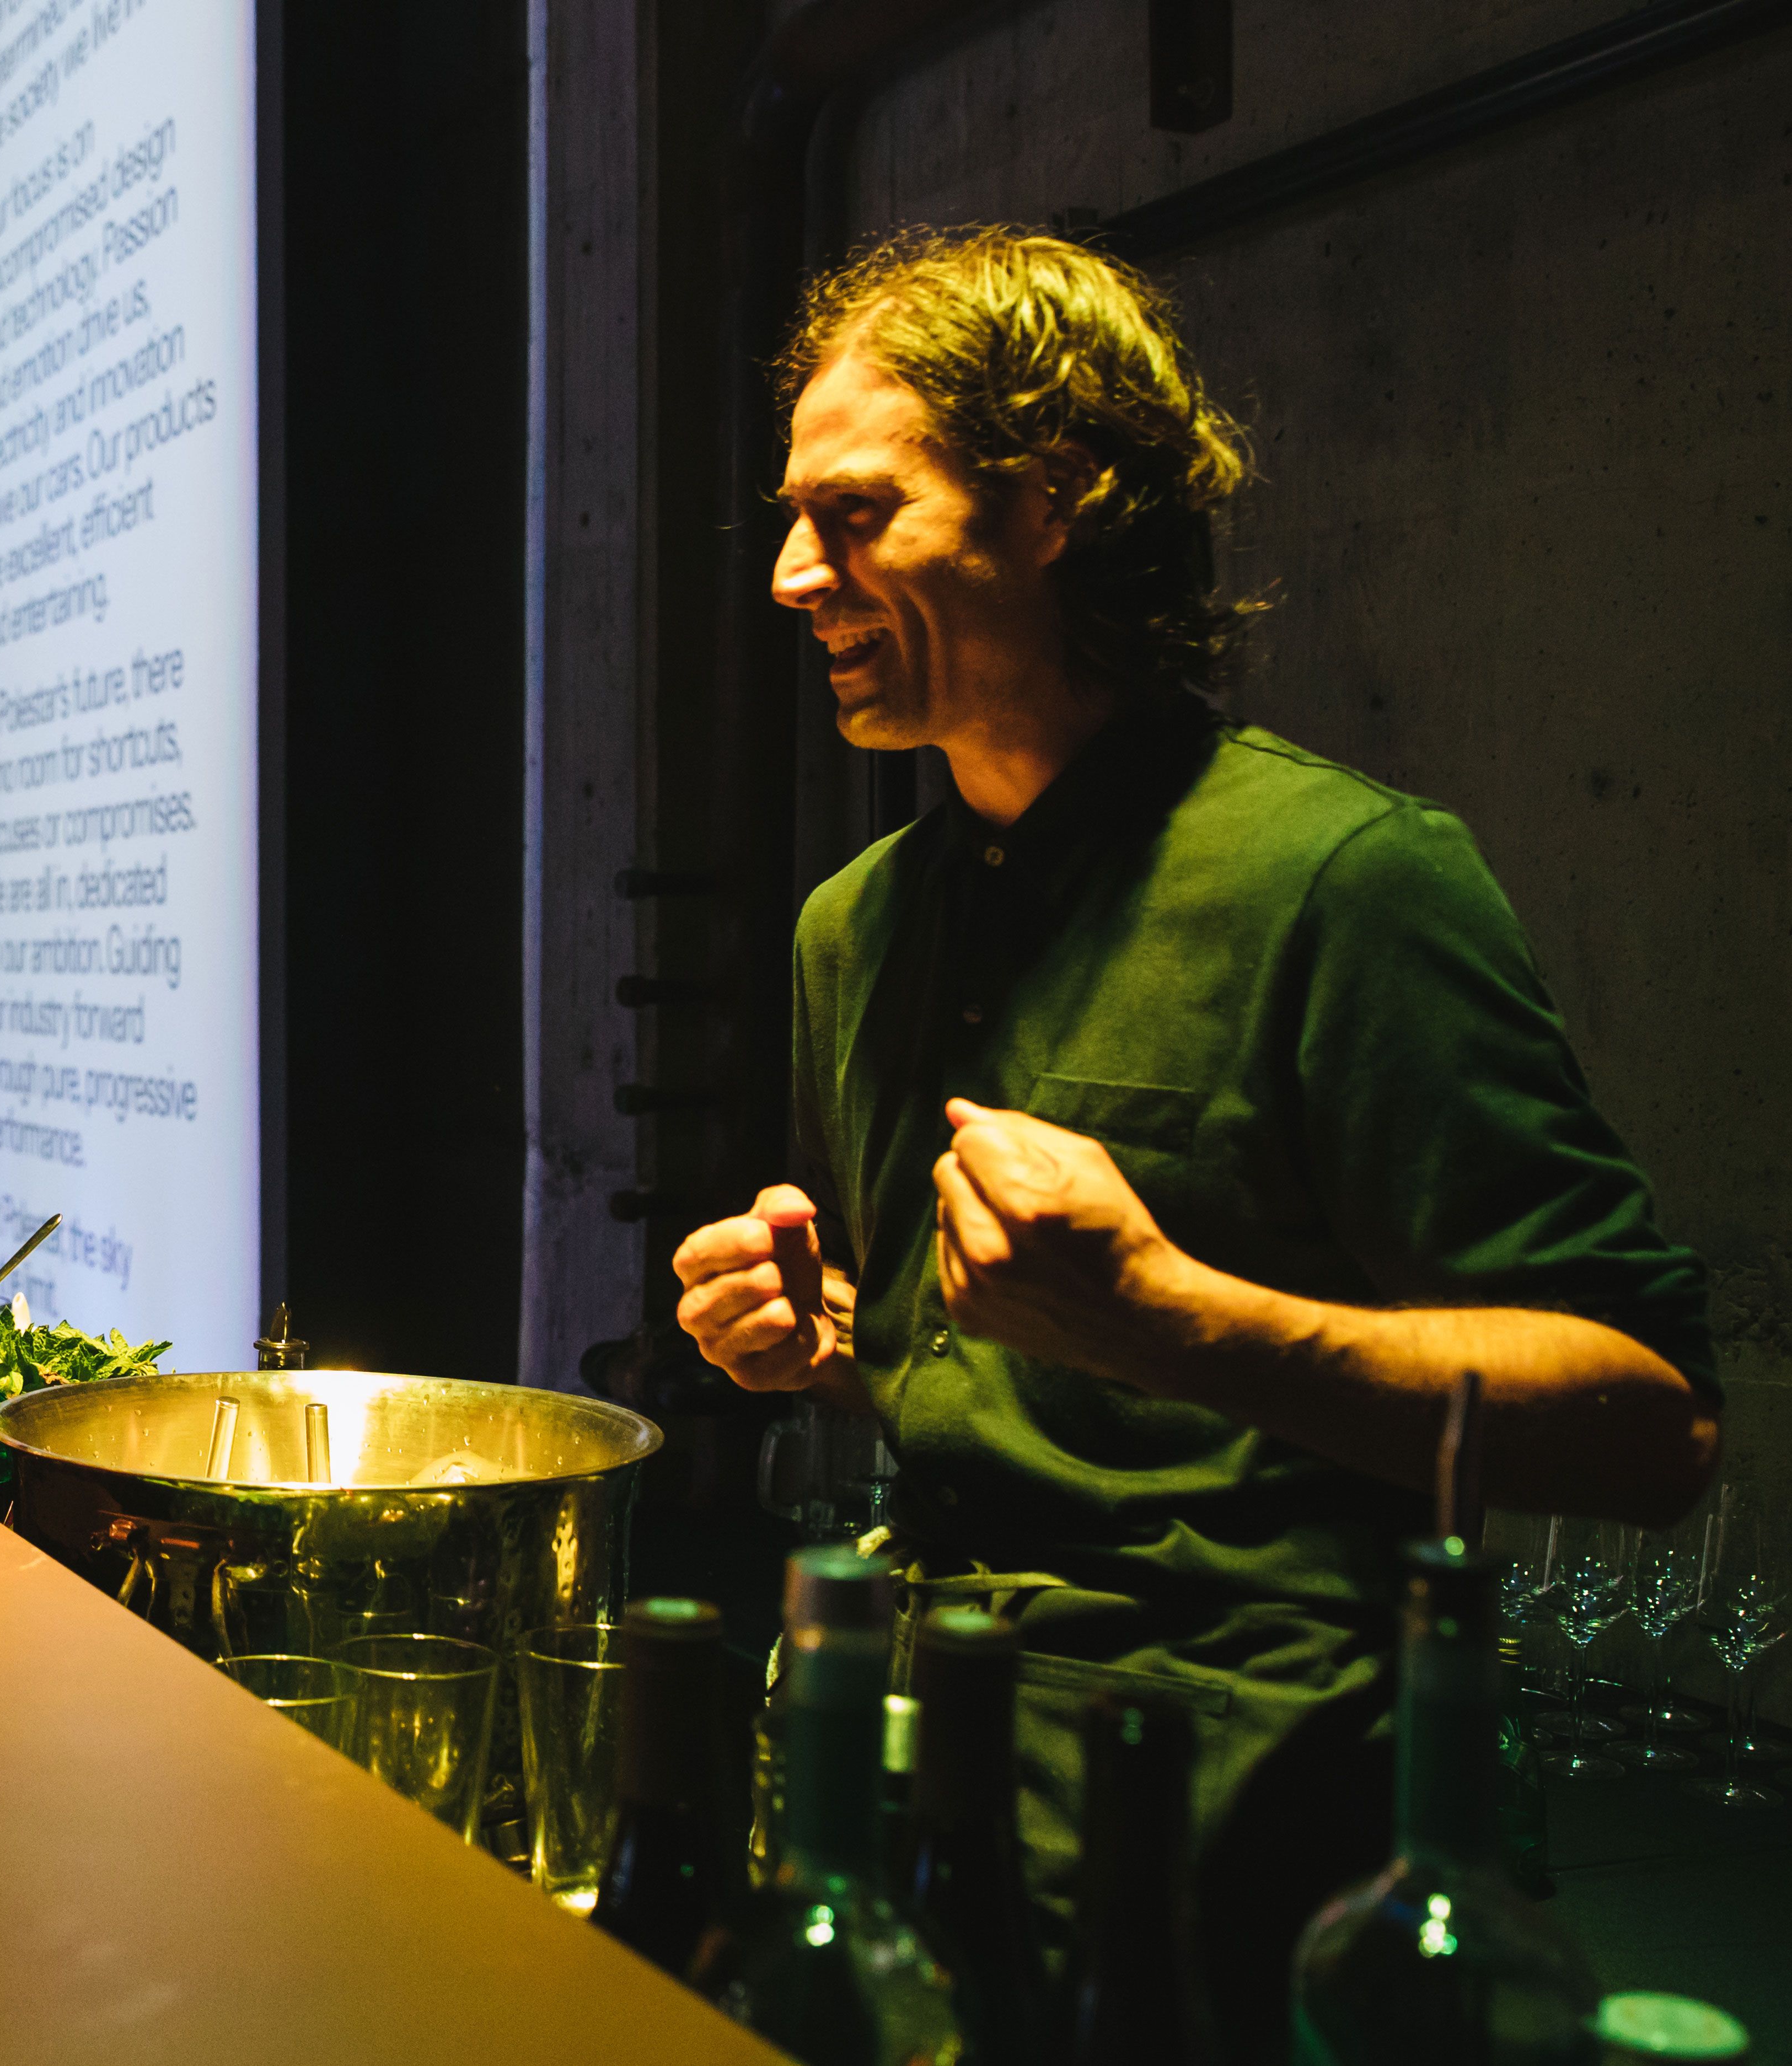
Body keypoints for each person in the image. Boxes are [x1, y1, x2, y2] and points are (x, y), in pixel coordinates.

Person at [668, 228, 1715, 2057]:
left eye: (853, 515)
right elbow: (999, 1376)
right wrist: (826, 1338)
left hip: (1246, 1868)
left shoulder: (1345, 879)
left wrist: (1176, 1316)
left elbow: (1651, 1424)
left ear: (1050, 499)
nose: (788, 575)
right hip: (918, 1802)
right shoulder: (857, 924)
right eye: (789, 521)